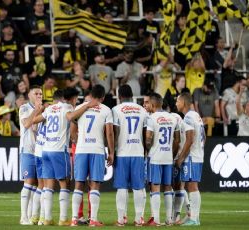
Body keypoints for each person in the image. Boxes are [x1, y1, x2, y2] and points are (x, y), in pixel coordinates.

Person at [32, 88, 81, 226]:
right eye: (76, 99)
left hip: (46, 150)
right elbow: (71, 121)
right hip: (59, 150)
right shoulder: (69, 108)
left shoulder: (51, 108)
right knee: (65, 183)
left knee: (48, 185)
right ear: (72, 98)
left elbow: (35, 120)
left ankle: (47, 218)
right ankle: (64, 218)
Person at [70, 85, 114, 227]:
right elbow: (109, 133)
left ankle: (74, 219)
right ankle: (93, 219)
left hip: (81, 150)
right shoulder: (106, 110)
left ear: (91, 94)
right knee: (94, 184)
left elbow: (72, 127)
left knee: (78, 184)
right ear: (102, 97)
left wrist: (77, 140)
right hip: (97, 149)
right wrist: (111, 152)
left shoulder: (81, 107)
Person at [112, 85, 148, 226]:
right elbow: (147, 134)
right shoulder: (142, 110)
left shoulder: (116, 110)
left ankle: (121, 219)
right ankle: (139, 219)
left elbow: (114, 132)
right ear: (132, 95)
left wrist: (112, 150)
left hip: (122, 152)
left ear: (120, 96)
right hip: (138, 152)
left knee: (122, 187)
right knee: (138, 187)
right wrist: (145, 150)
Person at [145, 93, 180, 226]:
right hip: (168, 157)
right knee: (168, 187)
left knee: (155, 187)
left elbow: (148, 139)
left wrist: (148, 150)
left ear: (153, 105)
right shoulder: (172, 118)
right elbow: (177, 140)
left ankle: (157, 220)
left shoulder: (151, 118)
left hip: (155, 157)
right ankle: (169, 219)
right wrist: (172, 153)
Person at [175, 92, 205, 226]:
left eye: (177, 101)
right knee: (190, 185)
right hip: (197, 154)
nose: (176, 103)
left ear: (183, 103)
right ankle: (192, 216)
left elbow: (190, 139)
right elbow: (204, 138)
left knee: (192, 186)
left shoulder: (187, 117)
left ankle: (194, 218)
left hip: (192, 156)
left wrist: (181, 158)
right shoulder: (196, 115)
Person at [18, 85, 43, 225]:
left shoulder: (43, 109)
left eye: (40, 94)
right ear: (29, 95)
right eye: (36, 93)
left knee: (35, 184)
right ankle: (23, 217)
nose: (39, 96)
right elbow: (27, 123)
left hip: (39, 151)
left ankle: (31, 215)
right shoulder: (24, 108)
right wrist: (37, 111)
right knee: (28, 182)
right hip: (27, 149)